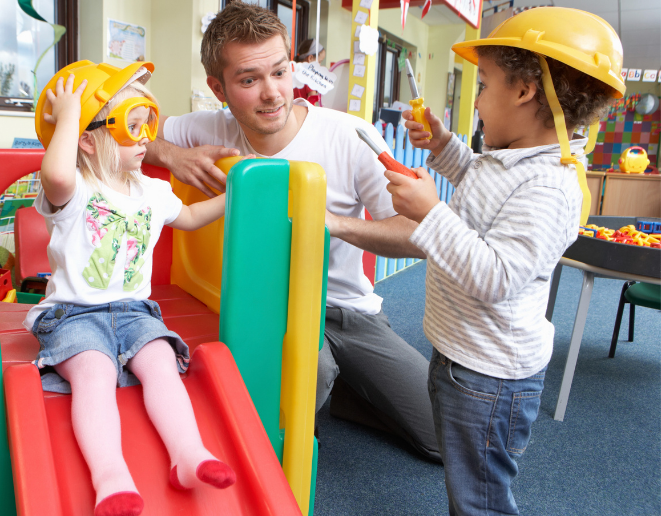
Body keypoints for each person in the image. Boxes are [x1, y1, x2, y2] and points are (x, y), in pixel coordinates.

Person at [145, 1, 441, 462]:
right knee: (299, 393)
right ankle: (321, 389)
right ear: (218, 88)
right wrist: (170, 154)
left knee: (441, 439)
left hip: (345, 309)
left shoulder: (350, 136)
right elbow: (118, 133)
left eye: (280, 72)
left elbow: (419, 235)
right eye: (249, 80)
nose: (273, 94)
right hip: (264, 309)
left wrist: (333, 223)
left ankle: (346, 389)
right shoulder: (206, 127)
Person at [385, 7, 623, 514]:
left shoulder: (548, 186)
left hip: (489, 379)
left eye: (484, 85)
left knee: (480, 499)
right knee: (467, 486)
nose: (476, 101)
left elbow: (495, 277)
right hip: (464, 358)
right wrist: (443, 144)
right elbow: (481, 183)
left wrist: (430, 213)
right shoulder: (512, 159)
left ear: (524, 92)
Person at [28, 60, 236, 516]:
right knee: (94, 372)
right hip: (74, 314)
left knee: (161, 362)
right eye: (132, 126)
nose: (146, 138)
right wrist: (69, 115)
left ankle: (188, 454)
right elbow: (56, 174)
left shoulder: (152, 191)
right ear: (88, 138)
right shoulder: (76, 189)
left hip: (134, 312)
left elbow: (190, 217)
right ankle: (110, 477)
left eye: (149, 124)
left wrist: (236, 195)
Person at [293, 38, 326, 105]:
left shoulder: (292, 73)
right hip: (304, 111)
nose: (319, 65)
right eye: (319, 61)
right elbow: (312, 104)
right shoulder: (310, 78)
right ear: (310, 58)